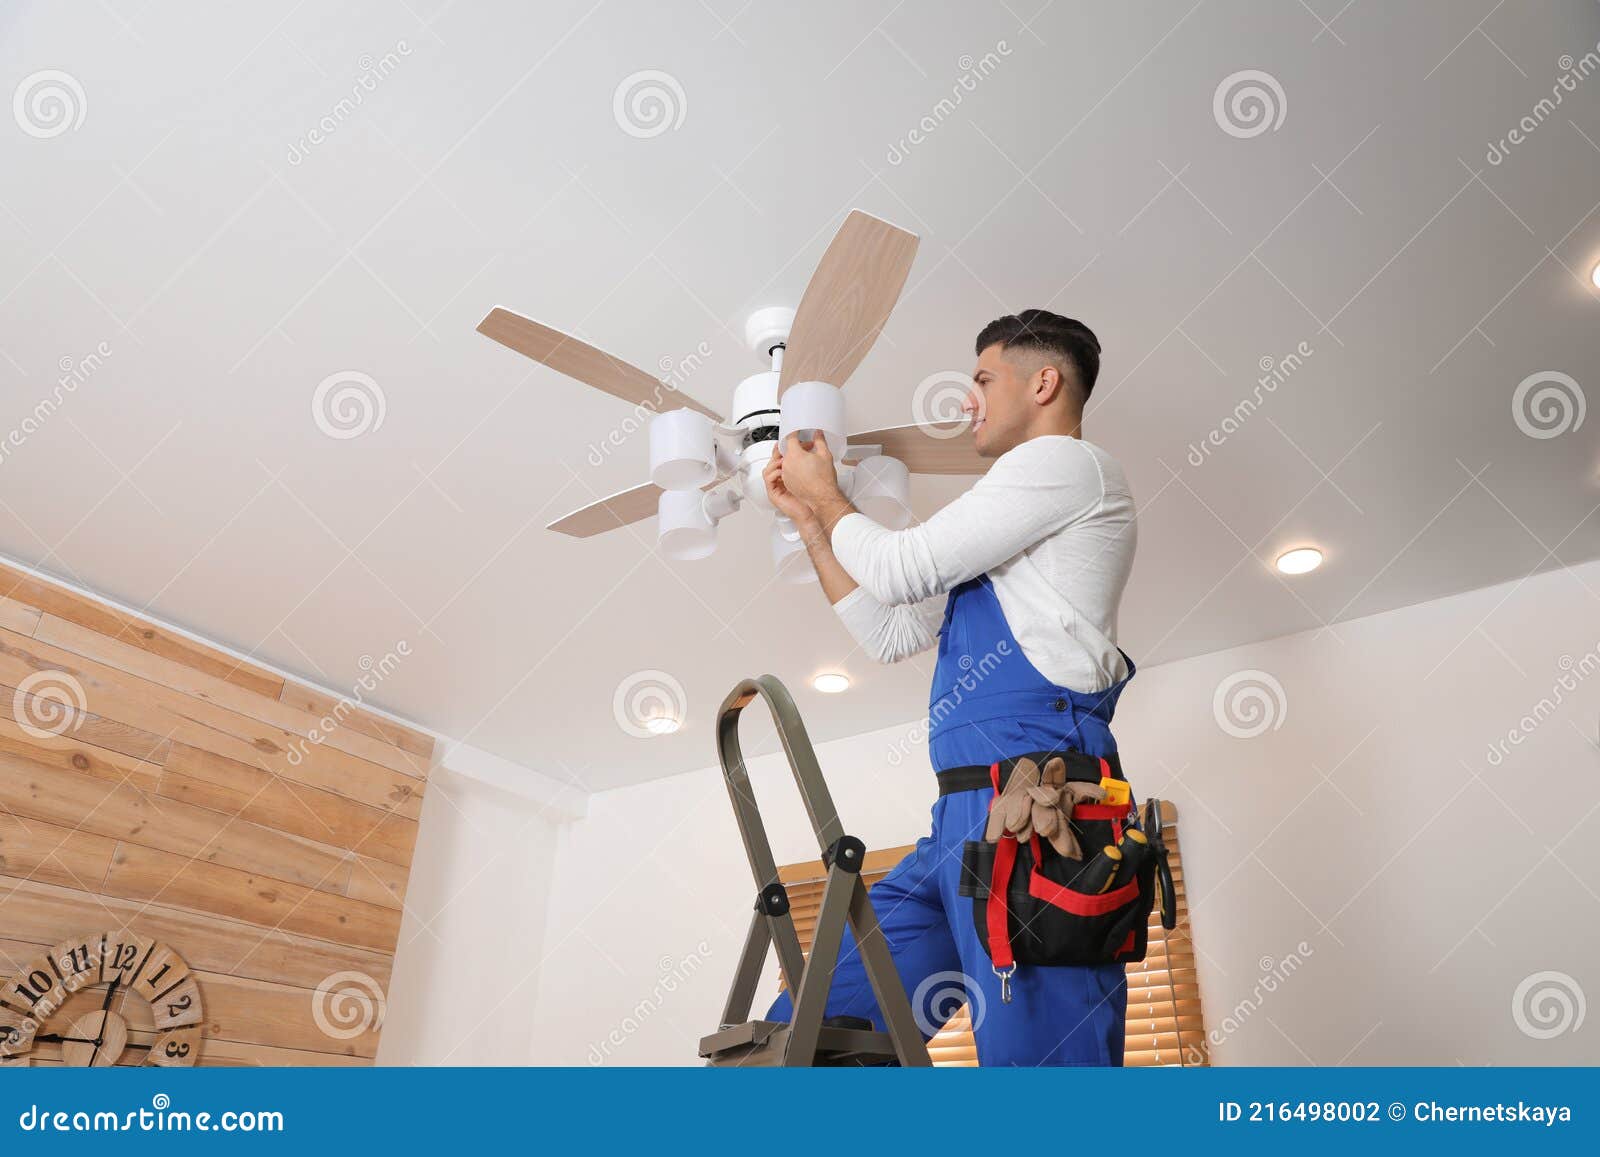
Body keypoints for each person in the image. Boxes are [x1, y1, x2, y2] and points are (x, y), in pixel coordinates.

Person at [761, 309, 1139, 1066]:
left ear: (1043, 382)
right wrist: (812, 521)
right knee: (813, 1028)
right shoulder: (1010, 522)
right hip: (960, 823)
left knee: (1042, 1064)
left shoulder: (1067, 464)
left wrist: (833, 494)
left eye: (982, 379)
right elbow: (892, 630)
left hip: (1039, 814)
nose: (969, 399)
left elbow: (903, 566)